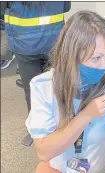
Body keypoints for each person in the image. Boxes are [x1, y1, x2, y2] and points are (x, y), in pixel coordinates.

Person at [25, 11, 105, 173]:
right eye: (96, 58)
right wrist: (86, 115)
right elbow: (43, 152)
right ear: (70, 55)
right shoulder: (44, 87)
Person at [2, 1, 71, 146]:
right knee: (58, 85)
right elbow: (66, 7)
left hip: (24, 45)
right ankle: (62, 126)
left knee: (33, 90)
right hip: (54, 42)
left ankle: (38, 131)